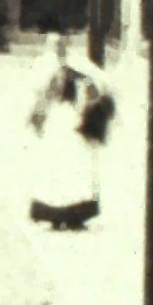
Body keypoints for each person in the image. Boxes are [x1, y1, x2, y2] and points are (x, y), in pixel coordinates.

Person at [24, 32, 114, 230]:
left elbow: (101, 84)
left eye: (62, 43)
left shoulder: (79, 65)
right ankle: (54, 212)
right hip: (57, 121)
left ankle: (75, 213)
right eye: (56, 44)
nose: (59, 48)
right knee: (55, 167)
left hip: (74, 119)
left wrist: (86, 84)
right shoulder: (46, 66)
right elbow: (41, 95)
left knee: (75, 166)